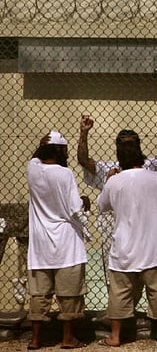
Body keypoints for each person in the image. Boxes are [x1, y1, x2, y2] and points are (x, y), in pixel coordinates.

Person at [96, 142, 157, 347]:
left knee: (119, 293)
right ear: (141, 157)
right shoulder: (156, 178)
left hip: (122, 248)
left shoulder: (114, 181)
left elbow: (102, 206)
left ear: (120, 160)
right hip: (151, 247)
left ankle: (115, 336)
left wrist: (109, 181)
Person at [26, 131, 90, 350]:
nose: (67, 154)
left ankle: (35, 339)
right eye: (64, 150)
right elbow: (74, 207)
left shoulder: (33, 170)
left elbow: (34, 158)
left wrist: (40, 144)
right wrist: (84, 201)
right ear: (59, 150)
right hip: (66, 242)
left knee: (39, 293)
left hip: (40, 243)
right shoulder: (65, 174)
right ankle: (67, 338)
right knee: (69, 294)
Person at [76, 114, 157, 191]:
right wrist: (84, 133)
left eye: (131, 145)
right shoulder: (110, 170)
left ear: (138, 146)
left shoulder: (147, 167)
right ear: (118, 148)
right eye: (124, 146)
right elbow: (84, 161)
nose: (128, 150)